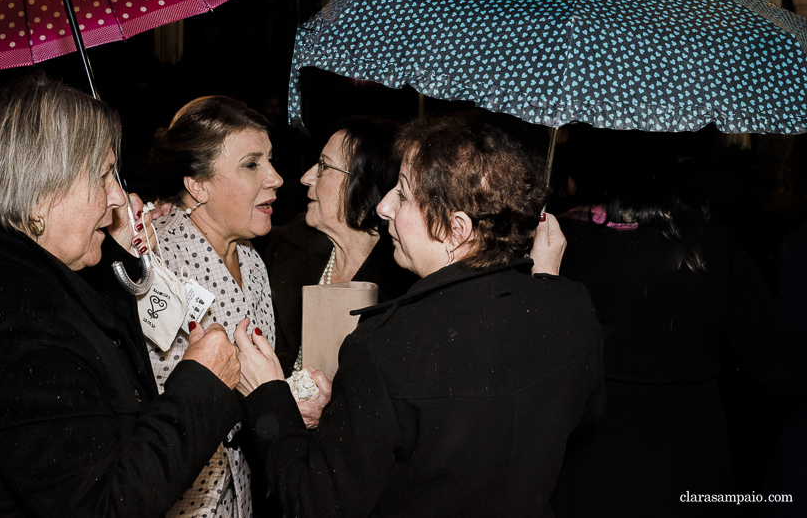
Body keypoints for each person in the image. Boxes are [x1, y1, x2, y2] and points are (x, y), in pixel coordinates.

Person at [0, 74, 242, 518]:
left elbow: (106, 367)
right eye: (103, 177)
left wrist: (116, 246)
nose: (118, 195)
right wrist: (202, 383)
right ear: (42, 193)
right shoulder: (19, 326)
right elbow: (104, 506)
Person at [232, 115, 603, 517]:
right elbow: (577, 415)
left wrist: (267, 395)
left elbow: (312, 501)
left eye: (404, 194)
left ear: (456, 229)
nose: (384, 205)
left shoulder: (385, 345)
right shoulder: (571, 304)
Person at [550, 129, 807, 518]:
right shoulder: (711, 250)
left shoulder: (551, 246)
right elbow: (782, 370)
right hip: (687, 475)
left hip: (577, 472)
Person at [144, 95, 282, 518]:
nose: (276, 178)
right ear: (197, 185)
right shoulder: (157, 262)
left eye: (270, 161)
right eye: (251, 164)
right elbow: (159, 400)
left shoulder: (254, 262)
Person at [255, 117, 417, 377]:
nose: (306, 177)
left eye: (323, 166)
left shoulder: (405, 287)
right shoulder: (292, 242)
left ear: (367, 186)